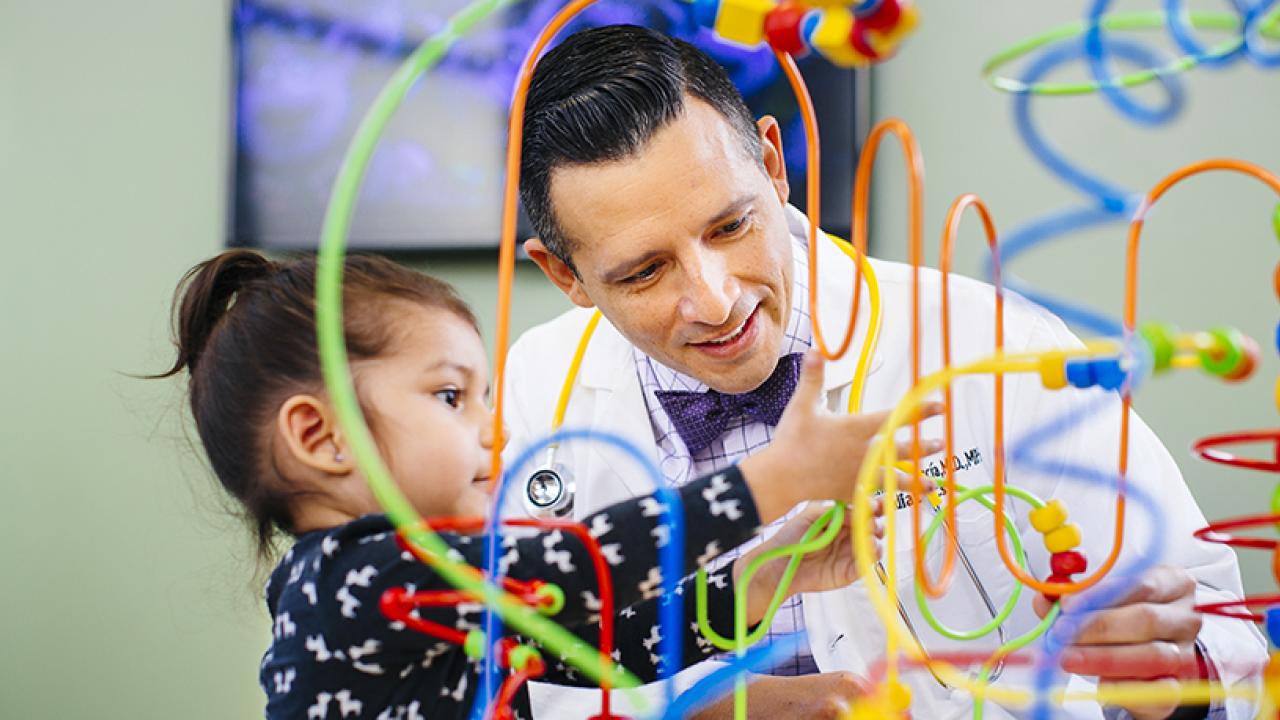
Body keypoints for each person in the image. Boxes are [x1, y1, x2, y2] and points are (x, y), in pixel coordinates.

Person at [503, 24, 1266, 720]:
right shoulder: (535, 392)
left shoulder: (995, 346)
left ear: (774, 166)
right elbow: (515, 674)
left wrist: (1174, 679)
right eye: (644, 272)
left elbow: (1211, 626)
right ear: (565, 276)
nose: (715, 300)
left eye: (730, 226)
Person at [156, 249, 924, 719]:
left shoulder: (433, 592)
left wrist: (755, 581)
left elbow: (601, 645)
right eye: (451, 397)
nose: (495, 431)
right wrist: (771, 481)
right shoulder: (356, 583)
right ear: (321, 438)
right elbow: (582, 562)